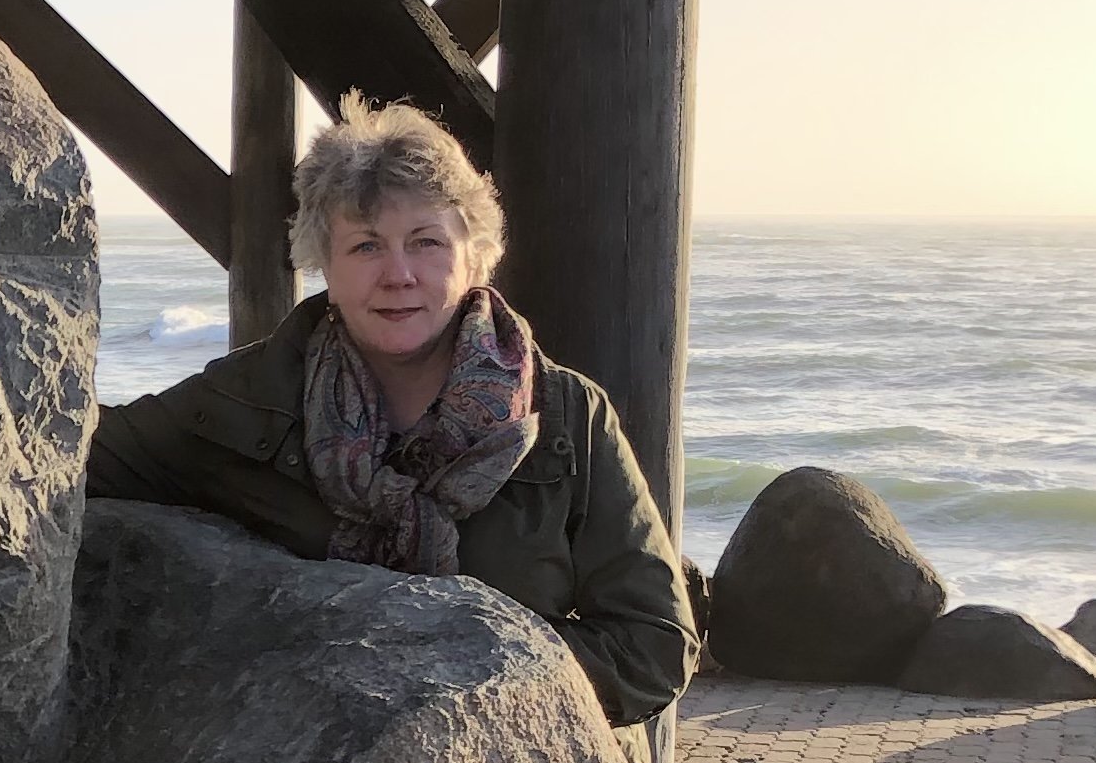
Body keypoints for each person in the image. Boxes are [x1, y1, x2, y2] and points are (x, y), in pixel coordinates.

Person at [84, 98, 695, 728]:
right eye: (366, 246)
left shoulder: (567, 417)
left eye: (426, 242)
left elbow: (652, 644)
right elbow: (74, 456)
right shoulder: (249, 397)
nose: (398, 274)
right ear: (324, 262)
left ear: (474, 254)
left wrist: (461, 675)